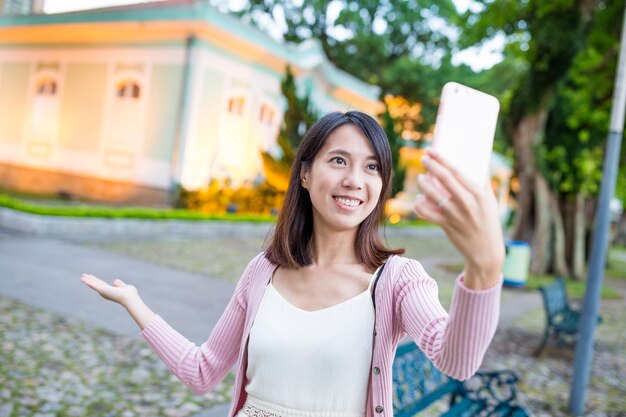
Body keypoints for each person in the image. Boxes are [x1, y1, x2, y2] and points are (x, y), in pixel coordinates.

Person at [80, 111, 504, 417]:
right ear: (305, 173)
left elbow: (456, 361)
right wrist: (134, 303)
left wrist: (484, 269)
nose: (354, 179)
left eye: (371, 167)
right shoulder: (262, 272)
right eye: (338, 160)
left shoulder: (397, 281)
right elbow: (203, 370)